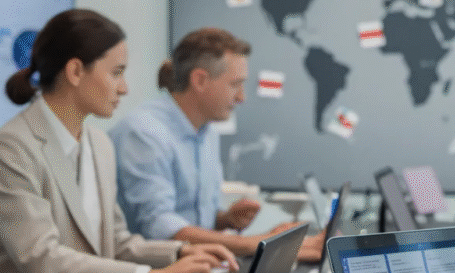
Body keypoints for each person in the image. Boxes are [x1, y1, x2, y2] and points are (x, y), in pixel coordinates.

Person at [0, 10, 238, 273]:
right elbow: (40, 258)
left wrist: (180, 251)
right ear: (76, 71)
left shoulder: (100, 145)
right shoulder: (14, 147)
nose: (124, 87)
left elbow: (115, 242)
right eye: (116, 73)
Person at [108, 27, 322, 258]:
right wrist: (256, 244)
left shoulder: (207, 131)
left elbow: (187, 218)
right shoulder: (144, 133)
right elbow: (159, 227)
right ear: (200, 80)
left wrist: (224, 219)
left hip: (199, 267)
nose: (241, 97)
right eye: (235, 85)